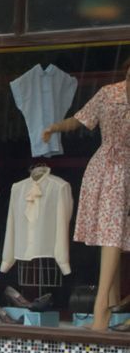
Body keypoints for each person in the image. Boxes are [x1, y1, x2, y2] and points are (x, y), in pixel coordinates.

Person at [40, 57, 130, 330]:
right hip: (110, 170)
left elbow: (79, 119)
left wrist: (56, 127)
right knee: (111, 234)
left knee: (113, 234)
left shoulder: (109, 93)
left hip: (117, 168)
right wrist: (54, 127)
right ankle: (102, 308)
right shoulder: (108, 93)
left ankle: (112, 303)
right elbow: (80, 119)